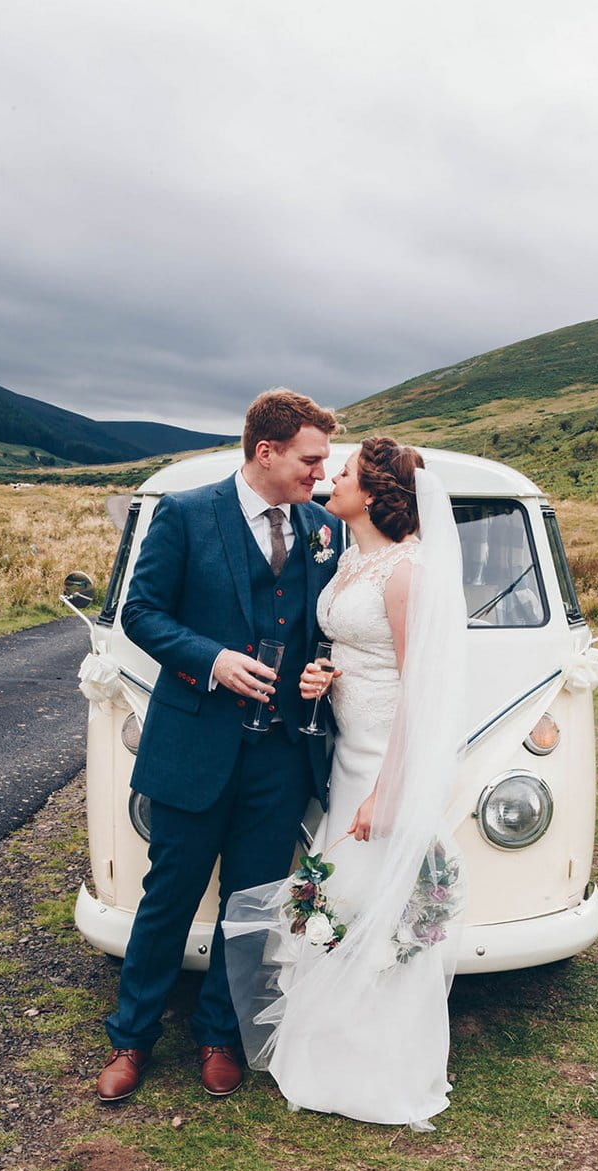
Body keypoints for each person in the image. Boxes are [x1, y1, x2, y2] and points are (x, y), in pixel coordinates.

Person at [96, 388, 342, 1102]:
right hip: (195, 741)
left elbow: (321, 626)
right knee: (167, 896)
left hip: (281, 756)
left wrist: (322, 666)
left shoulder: (325, 527)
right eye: (309, 459)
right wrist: (210, 659)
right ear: (265, 452)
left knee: (252, 903)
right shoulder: (185, 513)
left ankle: (219, 1035)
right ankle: (131, 1040)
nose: (319, 475)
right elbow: (141, 613)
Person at [223, 435, 467, 1128]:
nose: (332, 478)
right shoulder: (357, 557)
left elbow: (421, 687)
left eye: (348, 474)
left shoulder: (408, 571)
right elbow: (353, 650)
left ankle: (377, 1071)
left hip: (385, 758)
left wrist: (390, 790)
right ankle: (331, 1053)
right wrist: (320, 676)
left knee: (379, 907)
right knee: (343, 902)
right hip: (345, 748)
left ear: (378, 494)